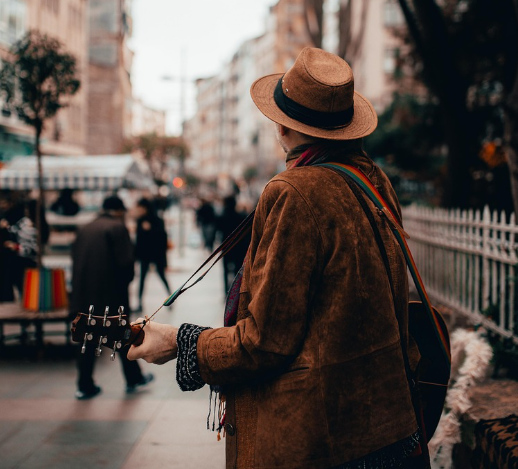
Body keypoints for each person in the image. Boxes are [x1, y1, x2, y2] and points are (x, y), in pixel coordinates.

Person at [128, 47, 427, 468]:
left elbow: (265, 342)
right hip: (392, 426)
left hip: (327, 441)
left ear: (282, 128)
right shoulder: (374, 181)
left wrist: (180, 341)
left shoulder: (292, 191)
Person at [70, 196, 154, 399]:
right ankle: (134, 378)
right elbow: (126, 265)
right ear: (118, 211)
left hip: (82, 294)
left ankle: (84, 385)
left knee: (87, 338)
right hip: (110, 295)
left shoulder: (85, 228)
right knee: (122, 336)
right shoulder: (117, 228)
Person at [134, 197, 171, 311]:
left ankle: (171, 298)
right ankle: (139, 303)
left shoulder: (157, 220)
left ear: (145, 208)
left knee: (162, 277)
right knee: (142, 279)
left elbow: (162, 237)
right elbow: (139, 240)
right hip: (145, 255)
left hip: (156, 254)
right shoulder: (140, 220)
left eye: (139, 208)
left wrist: (150, 230)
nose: (138, 210)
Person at [215, 195, 249, 294]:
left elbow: (218, 230)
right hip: (239, 247)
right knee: (237, 270)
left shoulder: (221, 217)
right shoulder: (241, 216)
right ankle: (236, 290)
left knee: (225, 270)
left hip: (226, 247)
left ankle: (226, 291)